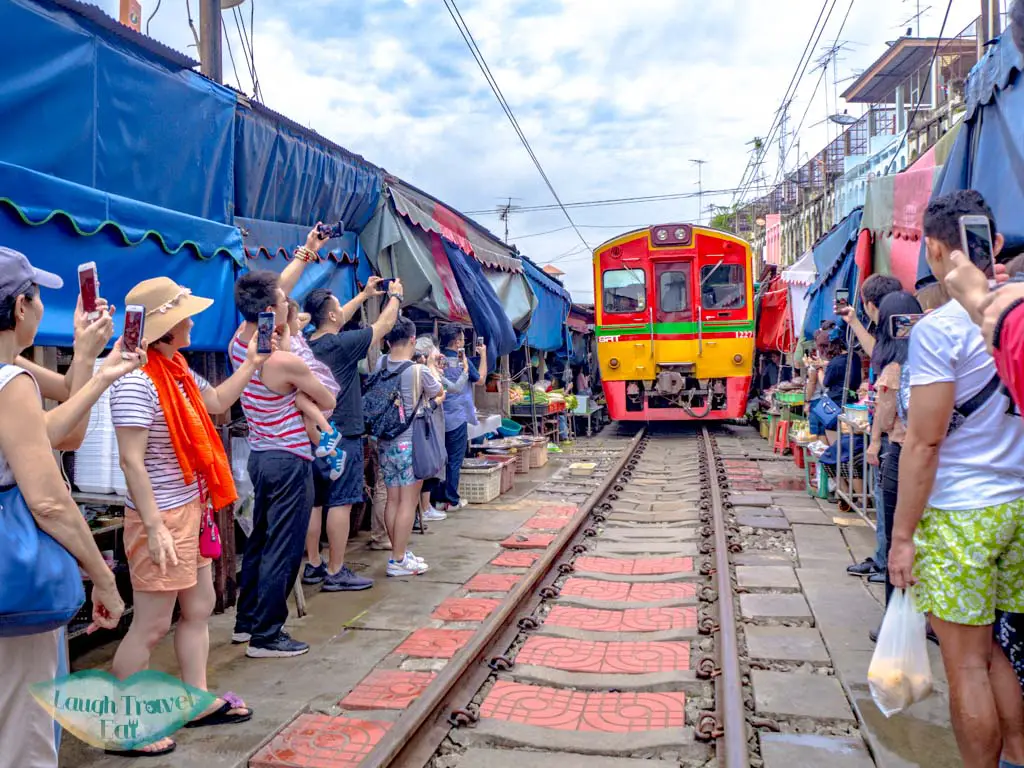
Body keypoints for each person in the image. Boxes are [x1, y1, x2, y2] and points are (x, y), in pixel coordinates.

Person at [889, 190, 1024, 768]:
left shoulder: (939, 330)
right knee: (998, 654)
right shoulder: (1018, 314)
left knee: (966, 662)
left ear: (936, 251)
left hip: (961, 513)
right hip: (1017, 505)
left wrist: (901, 537)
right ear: (992, 242)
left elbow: (923, 441)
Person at [108, 277, 268, 754]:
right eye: (186, 314)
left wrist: (253, 364)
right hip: (159, 516)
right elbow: (130, 461)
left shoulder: (176, 370)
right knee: (152, 624)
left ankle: (195, 701)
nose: (194, 321)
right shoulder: (137, 381)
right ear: (167, 325)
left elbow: (217, 403)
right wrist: (155, 526)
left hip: (190, 509)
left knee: (197, 609)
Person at [0, 247, 137, 766]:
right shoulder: (10, 382)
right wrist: (102, 576)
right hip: (12, 583)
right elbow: (49, 500)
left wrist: (86, 357)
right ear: (19, 307)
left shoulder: (13, 371)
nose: (42, 310)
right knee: (25, 734)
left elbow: (63, 427)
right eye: (37, 298)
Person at [230, 254, 337, 658]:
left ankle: (246, 622)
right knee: (284, 545)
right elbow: (328, 397)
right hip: (290, 458)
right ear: (271, 311)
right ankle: (267, 635)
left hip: (260, 456)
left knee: (260, 539)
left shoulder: (238, 343)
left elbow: (274, 295)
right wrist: (295, 350)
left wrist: (305, 253)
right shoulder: (283, 360)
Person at [300, 278, 403, 592]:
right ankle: (336, 570)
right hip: (343, 434)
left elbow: (336, 318)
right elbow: (384, 325)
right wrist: (395, 296)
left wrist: (363, 295)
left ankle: (315, 563)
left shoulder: (305, 345)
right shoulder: (342, 346)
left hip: (311, 433)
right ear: (331, 317)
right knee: (340, 503)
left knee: (316, 503)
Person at [857, 292, 923, 600]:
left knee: (895, 526)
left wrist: (873, 442)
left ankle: (895, 613)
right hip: (931, 453)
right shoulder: (928, 354)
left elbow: (885, 414)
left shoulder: (894, 365)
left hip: (899, 449)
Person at [376, 317, 442, 576]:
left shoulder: (380, 364)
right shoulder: (417, 370)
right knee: (408, 502)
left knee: (392, 499)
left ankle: (398, 552)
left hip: (385, 442)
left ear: (388, 339)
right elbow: (437, 391)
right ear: (413, 340)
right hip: (409, 443)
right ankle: (397, 559)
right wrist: (431, 366)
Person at [284, 299, 343, 478]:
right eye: (294, 320)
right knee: (309, 428)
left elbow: (306, 317)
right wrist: (287, 324)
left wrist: (289, 321)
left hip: (315, 376)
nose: (298, 322)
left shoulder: (294, 335)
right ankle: (336, 455)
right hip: (306, 380)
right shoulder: (291, 334)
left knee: (300, 400)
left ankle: (329, 431)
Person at [432, 324, 487, 511]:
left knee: (439, 459)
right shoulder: (462, 361)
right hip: (457, 416)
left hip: (438, 417)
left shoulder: (436, 360)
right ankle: (451, 500)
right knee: (455, 460)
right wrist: (483, 355)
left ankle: (437, 499)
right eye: (462, 339)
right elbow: (480, 380)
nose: (463, 342)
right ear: (457, 342)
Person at [414, 336, 448, 523]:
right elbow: (441, 391)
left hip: (427, 422)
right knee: (427, 466)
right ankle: (423, 510)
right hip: (426, 423)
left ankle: (423, 509)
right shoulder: (423, 372)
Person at [836, 274, 903, 357]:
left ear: (870, 306)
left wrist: (853, 321)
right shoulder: (905, 326)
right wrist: (853, 321)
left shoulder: (889, 335)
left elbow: (880, 355)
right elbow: (878, 352)